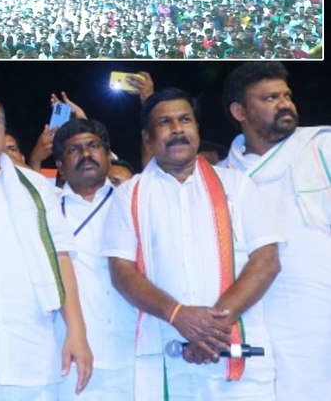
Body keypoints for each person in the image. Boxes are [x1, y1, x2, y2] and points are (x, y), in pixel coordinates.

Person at [103, 88, 282, 400]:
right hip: (167, 352)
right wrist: (178, 315)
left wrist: (211, 328)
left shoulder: (236, 185)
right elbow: (121, 271)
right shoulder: (128, 195)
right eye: (165, 123)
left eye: (185, 120)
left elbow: (266, 261)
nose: (177, 129)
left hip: (236, 352)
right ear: (147, 137)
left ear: (197, 128)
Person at [0, 92, 91, 400]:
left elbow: (60, 259)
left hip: (30, 354)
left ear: (3, 132)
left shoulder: (36, 189)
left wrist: (77, 332)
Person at [221, 61, 331, 400]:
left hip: (321, 312)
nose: (284, 104)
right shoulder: (223, 176)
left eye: (286, 95)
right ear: (240, 111)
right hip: (257, 319)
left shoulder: (321, 146)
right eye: (270, 98)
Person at [52, 119, 136, 400]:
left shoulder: (133, 201)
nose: (86, 155)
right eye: (73, 150)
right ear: (60, 165)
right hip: (72, 357)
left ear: (108, 155)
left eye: (93, 146)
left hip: (136, 355)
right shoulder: (47, 208)